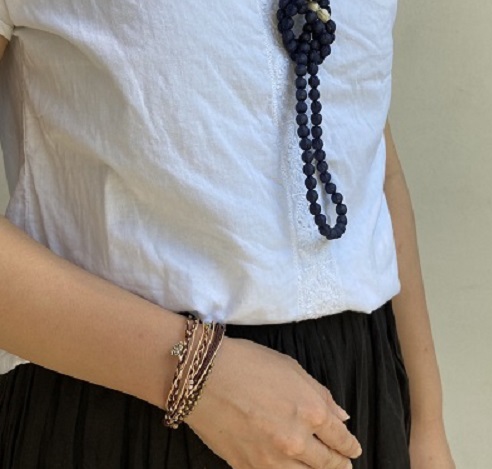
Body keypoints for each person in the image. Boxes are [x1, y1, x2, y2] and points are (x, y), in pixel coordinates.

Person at [0, 1, 455, 468]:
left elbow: (369, 165)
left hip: (364, 396)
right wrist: (198, 376)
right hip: (126, 407)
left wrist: (427, 426)